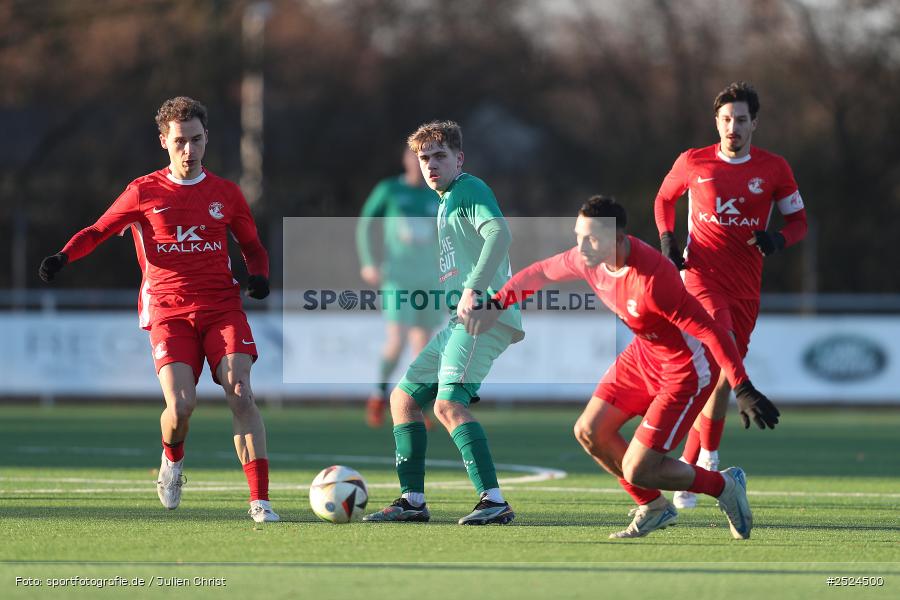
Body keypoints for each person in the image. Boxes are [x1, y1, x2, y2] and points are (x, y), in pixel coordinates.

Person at [463, 196, 780, 539]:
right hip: (643, 355)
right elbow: (539, 272)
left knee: (638, 467)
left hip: (685, 371)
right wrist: (497, 303)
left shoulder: (655, 279)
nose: (581, 246)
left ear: (618, 239)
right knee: (589, 432)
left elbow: (711, 330)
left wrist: (742, 386)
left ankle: (724, 485)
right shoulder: (588, 258)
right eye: (578, 235)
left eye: (592, 238)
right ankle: (655, 507)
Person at [38, 96, 278, 523]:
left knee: (240, 391)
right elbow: (97, 231)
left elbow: (252, 246)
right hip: (168, 310)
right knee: (182, 406)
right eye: (181, 141)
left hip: (222, 305)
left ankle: (259, 501)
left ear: (207, 139)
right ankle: (172, 459)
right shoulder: (143, 191)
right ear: (164, 141)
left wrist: (258, 275)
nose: (190, 150)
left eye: (198, 140)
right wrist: (64, 256)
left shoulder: (226, 193)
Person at [654, 81, 807, 509]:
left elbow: (800, 222)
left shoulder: (774, 169)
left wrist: (778, 240)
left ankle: (703, 457)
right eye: (725, 119)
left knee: (721, 374)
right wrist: (668, 240)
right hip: (701, 278)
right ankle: (698, 463)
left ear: (754, 123)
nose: (732, 127)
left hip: (746, 288)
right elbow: (664, 199)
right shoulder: (693, 161)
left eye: (741, 119)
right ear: (716, 122)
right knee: (718, 346)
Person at [363, 120, 524, 525]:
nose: (431, 164)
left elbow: (500, 235)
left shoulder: (468, 188)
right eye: (425, 158)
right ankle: (412, 500)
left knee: (448, 404)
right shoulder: (444, 200)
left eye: (440, 156)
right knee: (403, 400)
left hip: (485, 316)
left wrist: (475, 289)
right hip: (460, 320)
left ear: (459, 158)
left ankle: (493, 501)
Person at [356, 148, 442, 428]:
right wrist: (369, 261)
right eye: (418, 160)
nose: (423, 166)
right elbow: (365, 224)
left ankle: (415, 404)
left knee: (424, 346)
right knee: (398, 339)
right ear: (407, 161)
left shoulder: (437, 194)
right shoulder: (390, 190)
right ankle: (379, 394)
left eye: (428, 160)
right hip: (399, 278)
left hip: (430, 279)